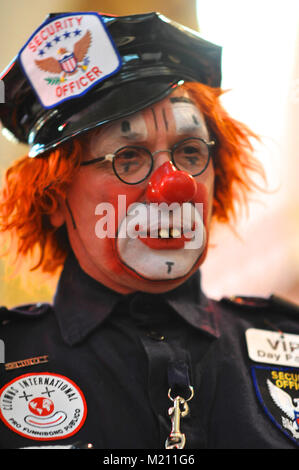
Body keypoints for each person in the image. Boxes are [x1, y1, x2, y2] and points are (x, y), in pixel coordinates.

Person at [0, 11, 298, 450]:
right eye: (129, 157)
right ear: (55, 197)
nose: (173, 186)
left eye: (190, 151)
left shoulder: (287, 341)